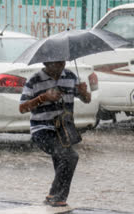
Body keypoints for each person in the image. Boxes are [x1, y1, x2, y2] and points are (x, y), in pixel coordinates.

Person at [19, 61, 91, 207]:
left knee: (62, 161)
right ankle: (57, 198)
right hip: (42, 129)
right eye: (56, 63)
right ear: (46, 62)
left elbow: (86, 99)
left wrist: (84, 93)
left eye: (62, 62)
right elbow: (22, 108)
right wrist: (43, 98)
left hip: (64, 130)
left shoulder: (70, 76)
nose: (60, 66)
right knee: (70, 156)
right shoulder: (34, 80)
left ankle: (52, 196)